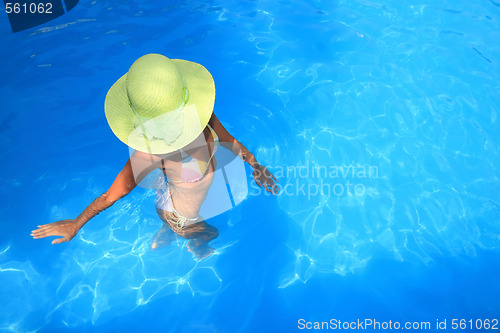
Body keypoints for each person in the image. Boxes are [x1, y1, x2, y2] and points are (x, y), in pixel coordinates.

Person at [31, 54, 279, 260]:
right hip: (182, 218)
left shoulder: (200, 117)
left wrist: (256, 165)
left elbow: (228, 140)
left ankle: (166, 230)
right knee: (210, 234)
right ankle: (195, 246)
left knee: (175, 207)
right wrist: (76, 223)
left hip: (172, 194)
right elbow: (110, 196)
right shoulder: (149, 154)